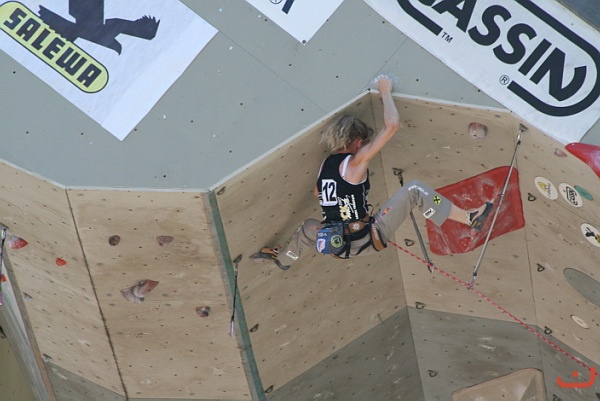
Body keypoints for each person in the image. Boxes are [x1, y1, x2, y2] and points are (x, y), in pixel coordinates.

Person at [251, 75, 493, 270]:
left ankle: (283, 259)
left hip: (336, 245)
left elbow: (318, 193)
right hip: (366, 237)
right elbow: (392, 126)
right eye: (363, 142)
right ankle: (468, 218)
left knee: (307, 228)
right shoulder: (355, 163)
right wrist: (385, 91)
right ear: (357, 141)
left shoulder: (326, 166)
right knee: (415, 190)